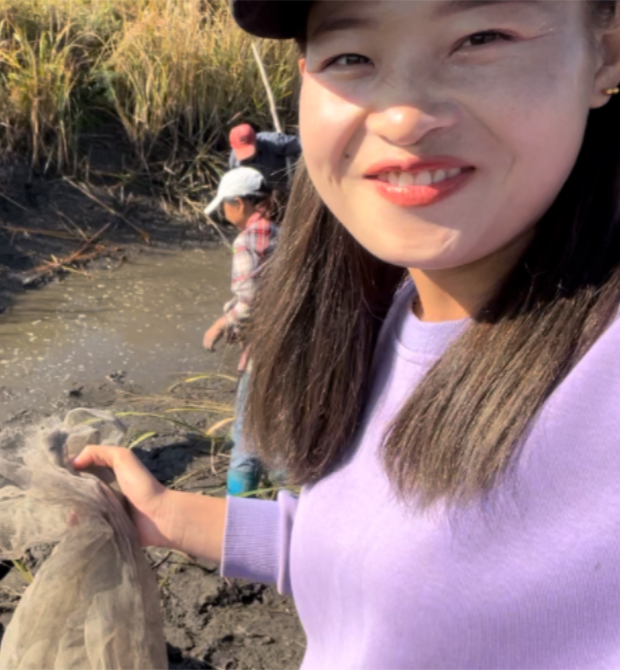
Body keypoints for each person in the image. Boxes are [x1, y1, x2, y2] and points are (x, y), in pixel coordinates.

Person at [75, 0, 620, 667]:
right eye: (352, 57)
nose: (403, 116)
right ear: (307, 79)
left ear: (607, 52)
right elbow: (360, 551)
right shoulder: (381, 314)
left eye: (481, 37)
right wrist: (167, 513)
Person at [201, 167, 279, 495]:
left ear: (239, 203)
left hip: (264, 350)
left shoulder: (248, 240)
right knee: (279, 428)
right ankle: (290, 507)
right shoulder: (281, 232)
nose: (224, 213)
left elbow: (249, 301)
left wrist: (220, 325)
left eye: (225, 206)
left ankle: (239, 512)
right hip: (292, 345)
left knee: (246, 435)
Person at [227, 122, 302, 190]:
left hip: (293, 182)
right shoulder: (234, 163)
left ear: (255, 140)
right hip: (270, 187)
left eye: (248, 149)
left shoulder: (274, 142)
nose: (247, 157)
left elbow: (304, 145)